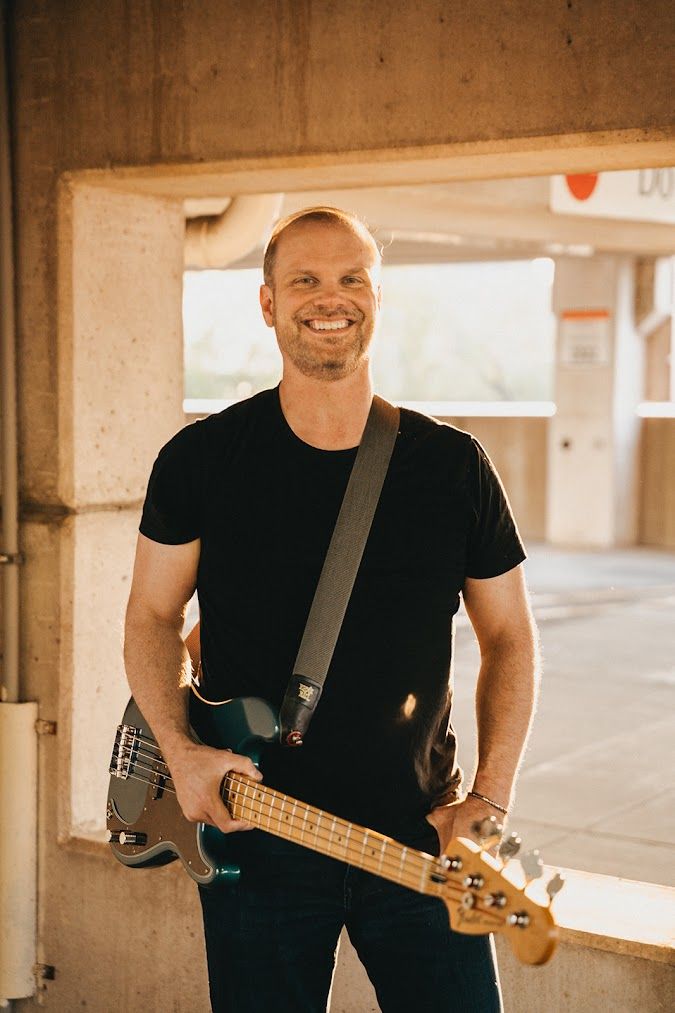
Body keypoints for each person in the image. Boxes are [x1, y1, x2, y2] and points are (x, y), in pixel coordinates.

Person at [124, 206, 539, 1012]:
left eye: (352, 278)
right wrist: (181, 751)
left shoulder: (451, 466)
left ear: (378, 298)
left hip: (421, 837)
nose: (330, 297)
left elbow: (510, 635)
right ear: (267, 302)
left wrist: (489, 798)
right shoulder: (200, 459)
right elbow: (150, 615)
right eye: (305, 279)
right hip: (256, 834)